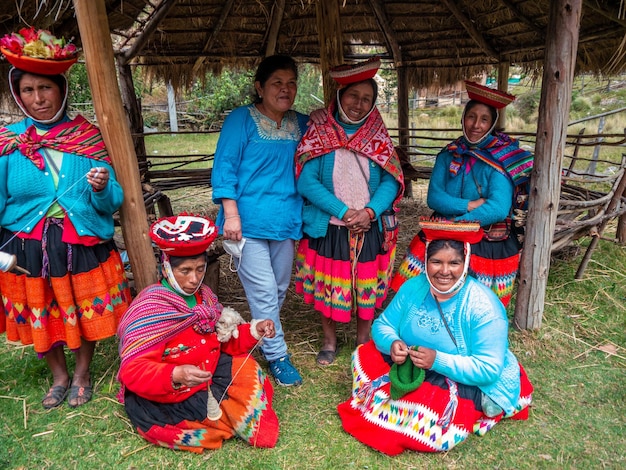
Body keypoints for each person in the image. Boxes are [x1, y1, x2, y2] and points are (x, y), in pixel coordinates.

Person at [0, 28, 131, 409]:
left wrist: (102, 186)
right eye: (28, 91)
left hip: (78, 239)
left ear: (61, 89)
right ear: (16, 94)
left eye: (45, 88)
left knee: (80, 306)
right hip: (26, 241)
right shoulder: (9, 142)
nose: (38, 99)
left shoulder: (87, 138)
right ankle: (58, 376)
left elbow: (114, 201)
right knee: (42, 311)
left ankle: (81, 374)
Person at [337, 218, 533, 454]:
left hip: (458, 375)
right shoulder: (414, 287)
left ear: (466, 263)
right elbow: (383, 325)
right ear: (426, 262)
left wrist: (437, 361)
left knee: (429, 418)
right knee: (365, 355)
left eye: (454, 263)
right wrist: (393, 344)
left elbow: (489, 368)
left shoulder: (484, 307)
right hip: (414, 364)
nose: (444, 271)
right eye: (436, 262)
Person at [117, 214, 279, 452]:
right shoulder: (151, 307)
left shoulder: (206, 299)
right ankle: (219, 420)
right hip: (171, 393)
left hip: (208, 371)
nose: (194, 279)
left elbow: (224, 343)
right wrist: (175, 374)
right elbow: (133, 370)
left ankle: (229, 416)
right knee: (201, 427)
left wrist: (255, 330)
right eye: (185, 270)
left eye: (200, 269)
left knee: (247, 368)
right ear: (167, 268)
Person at [294, 57, 404, 366]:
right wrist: (343, 211)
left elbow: (389, 180)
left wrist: (369, 212)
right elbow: (307, 181)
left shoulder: (377, 136)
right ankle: (329, 342)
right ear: (339, 96)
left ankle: (362, 341)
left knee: (365, 287)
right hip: (329, 226)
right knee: (331, 284)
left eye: (366, 99)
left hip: (368, 226)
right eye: (353, 96)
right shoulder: (320, 133)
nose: (358, 103)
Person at [211, 55, 309, 386]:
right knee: (265, 290)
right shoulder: (241, 119)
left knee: (278, 289)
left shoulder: (303, 123)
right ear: (259, 87)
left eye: (291, 82)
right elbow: (224, 166)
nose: (286, 89)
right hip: (246, 222)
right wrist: (231, 213)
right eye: (277, 83)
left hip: (285, 221)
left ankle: (257, 334)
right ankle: (277, 355)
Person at [391, 81, 533, 307]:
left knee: (476, 303)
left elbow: (497, 208)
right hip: (446, 227)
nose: (476, 125)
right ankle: (422, 308)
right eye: (471, 117)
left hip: (484, 234)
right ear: (463, 118)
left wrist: (458, 226)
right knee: (418, 290)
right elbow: (434, 198)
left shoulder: (501, 158)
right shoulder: (449, 154)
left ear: (492, 123)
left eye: (484, 119)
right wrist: (470, 204)